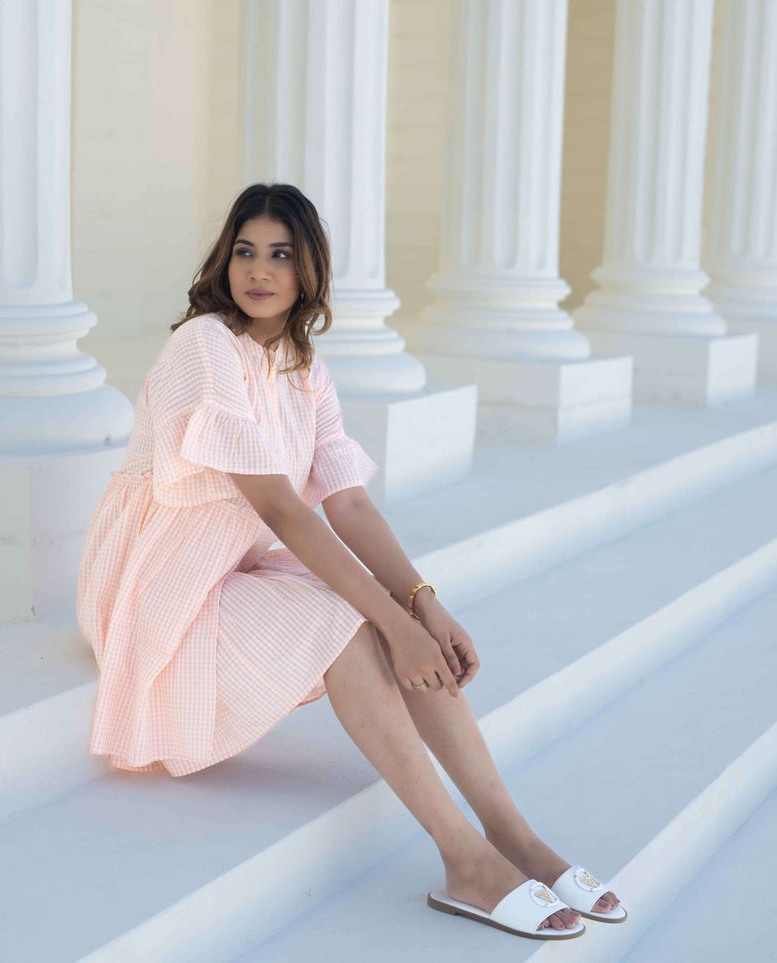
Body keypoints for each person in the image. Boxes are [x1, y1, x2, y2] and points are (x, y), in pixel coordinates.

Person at [76, 183, 624, 940]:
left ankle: (515, 837)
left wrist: (424, 604)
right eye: (244, 250)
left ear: (308, 272)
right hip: (158, 578)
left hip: (225, 564)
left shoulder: (302, 365)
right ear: (223, 258)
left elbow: (349, 503)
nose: (258, 270)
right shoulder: (204, 344)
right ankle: (463, 857)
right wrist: (388, 624)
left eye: (280, 255)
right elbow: (280, 509)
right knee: (348, 619)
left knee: (388, 612)